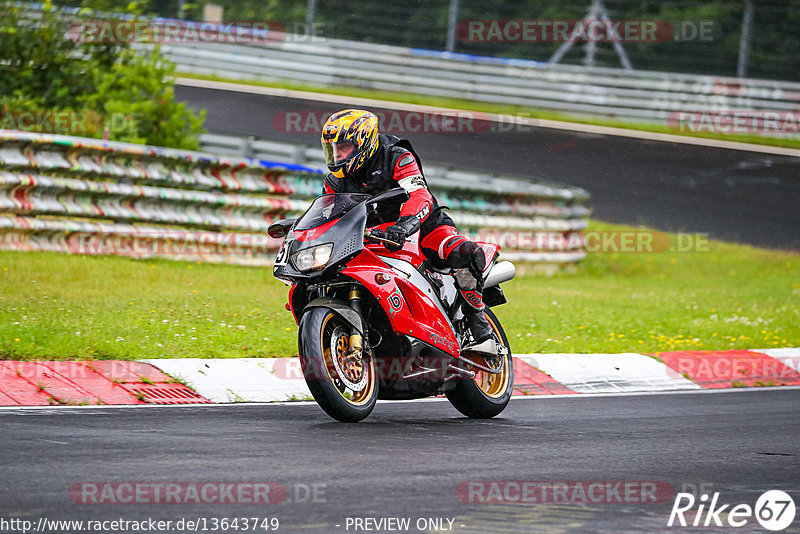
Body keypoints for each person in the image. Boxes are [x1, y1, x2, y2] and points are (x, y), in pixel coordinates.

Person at [320, 108, 495, 351]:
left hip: (422, 228)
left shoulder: (397, 156)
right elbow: (328, 215)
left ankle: (478, 321)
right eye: (333, 149)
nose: (337, 154)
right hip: (372, 237)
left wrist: (405, 225)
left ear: (364, 142)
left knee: (463, 253)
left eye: (344, 147)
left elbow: (419, 194)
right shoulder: (334, 181)